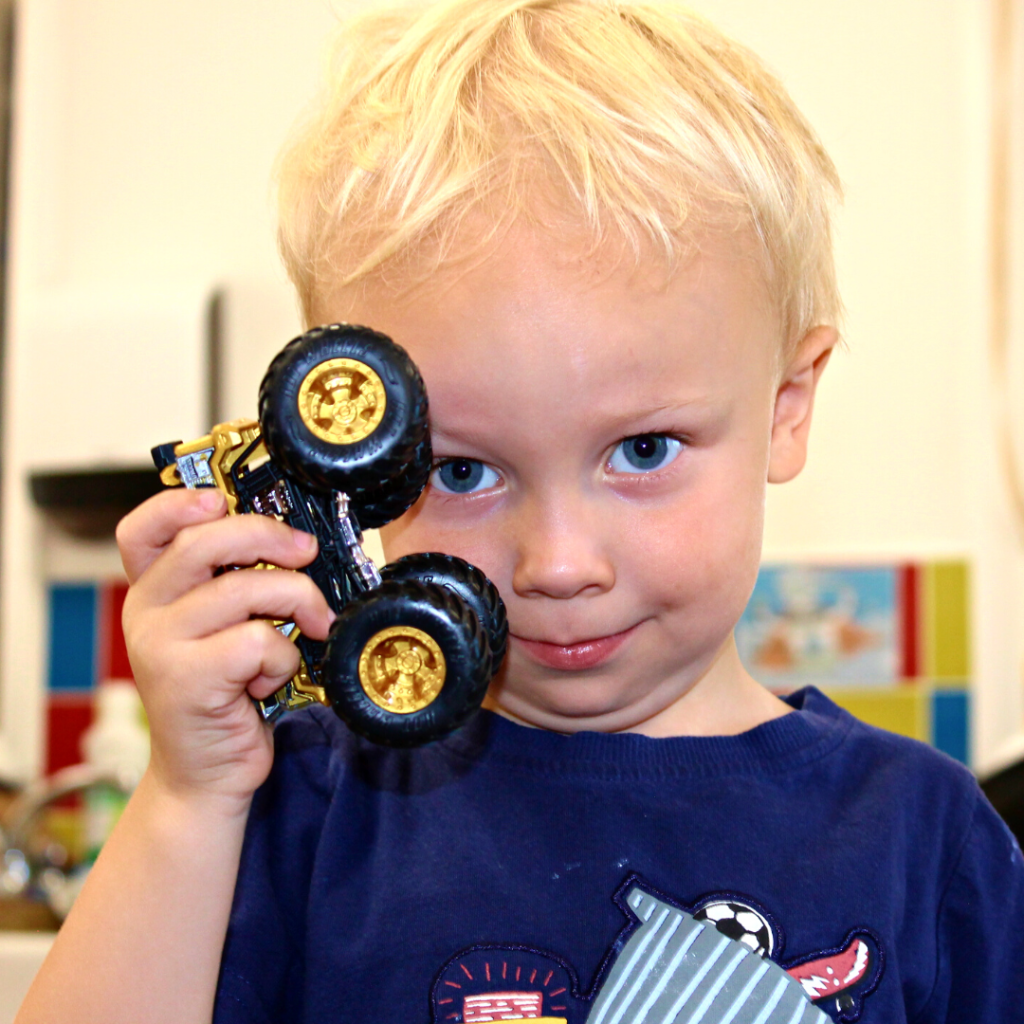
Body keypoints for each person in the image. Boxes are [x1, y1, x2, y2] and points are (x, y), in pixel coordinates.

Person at [16, 1, 1024, 1021]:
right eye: (461, 471)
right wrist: (187, 801)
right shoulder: (301, 805)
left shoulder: (925, 840)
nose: (557, 562)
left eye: (642, 450)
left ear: (785, 410)